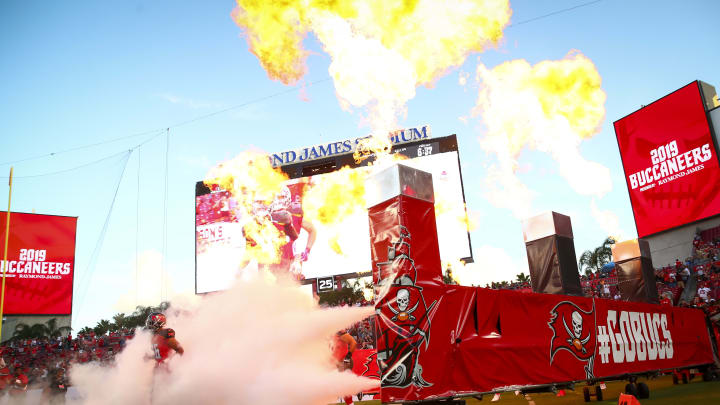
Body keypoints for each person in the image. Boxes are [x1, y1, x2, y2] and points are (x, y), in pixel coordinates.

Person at [333, 330, 357, 405]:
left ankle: (350, 402)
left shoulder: (340, 333)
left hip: (343, 362)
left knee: (343, 384)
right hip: (336, 363)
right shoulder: (331, 334)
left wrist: (348, 356)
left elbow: (353, 342)